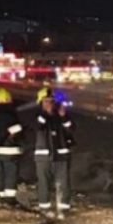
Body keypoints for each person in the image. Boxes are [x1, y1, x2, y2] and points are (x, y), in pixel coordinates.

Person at [33, 87, 76, 215]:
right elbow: (38, 126)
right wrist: (46, 113)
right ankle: (45, 209)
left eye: (51, 101)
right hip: (43, 157)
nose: (49, 103)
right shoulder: (37, 115)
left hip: (61, 156)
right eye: (46, 101)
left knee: (63, 182)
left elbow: (71, 128)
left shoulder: (61, 116)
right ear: (40, 102)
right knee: (43, 183)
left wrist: (64, 117)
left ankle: (64, 208)